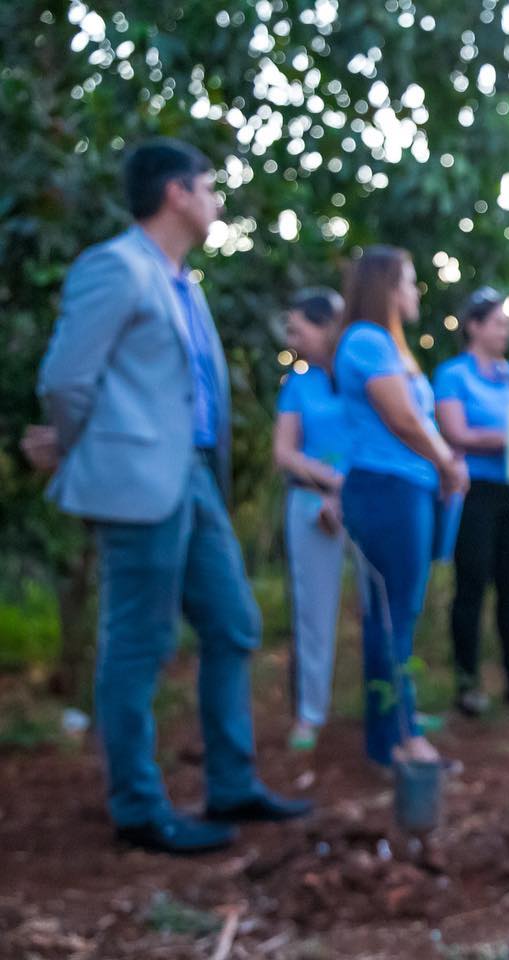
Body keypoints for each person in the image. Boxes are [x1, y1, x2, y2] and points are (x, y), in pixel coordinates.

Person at [36, 138, 309, 855]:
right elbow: (66, 378)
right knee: (139, 642)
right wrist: (73, 446)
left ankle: (231, 784)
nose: (217, 202)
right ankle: (137, 807)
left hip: (194, 477)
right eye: (209, 188)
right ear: (176, 193)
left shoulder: (184, 283)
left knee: (234, 623)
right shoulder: (115, 267)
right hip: (137, 481)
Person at [334, 246, 468, 766]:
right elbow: (405, 420)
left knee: (400, 613)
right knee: (392, 617)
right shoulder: (366, 340)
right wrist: (448, 463)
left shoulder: (388, 345)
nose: (416, 292)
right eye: (410, 282)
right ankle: (398, 740)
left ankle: (398, 724)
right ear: (387, 288)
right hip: (385, 489)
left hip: (406, 488)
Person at [435, 288, 509, 711]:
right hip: (473, 490)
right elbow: (455, 433)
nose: (505, 332)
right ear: (474, 327)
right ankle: (467, 682)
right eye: (498, 323)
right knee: (472, 583)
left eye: (507, 325)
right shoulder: (452, 374)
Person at [273, 288, 348, 751]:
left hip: (365, 503)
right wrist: (332, 482)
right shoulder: (298, 385)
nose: (292, 340)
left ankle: (394, 706)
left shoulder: (361, 378)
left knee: (387, 607)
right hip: (310, 505)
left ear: (327, 329)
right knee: (313, 613)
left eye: (298, 330)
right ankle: (310, 712)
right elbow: (284, 452)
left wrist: (349, 491)